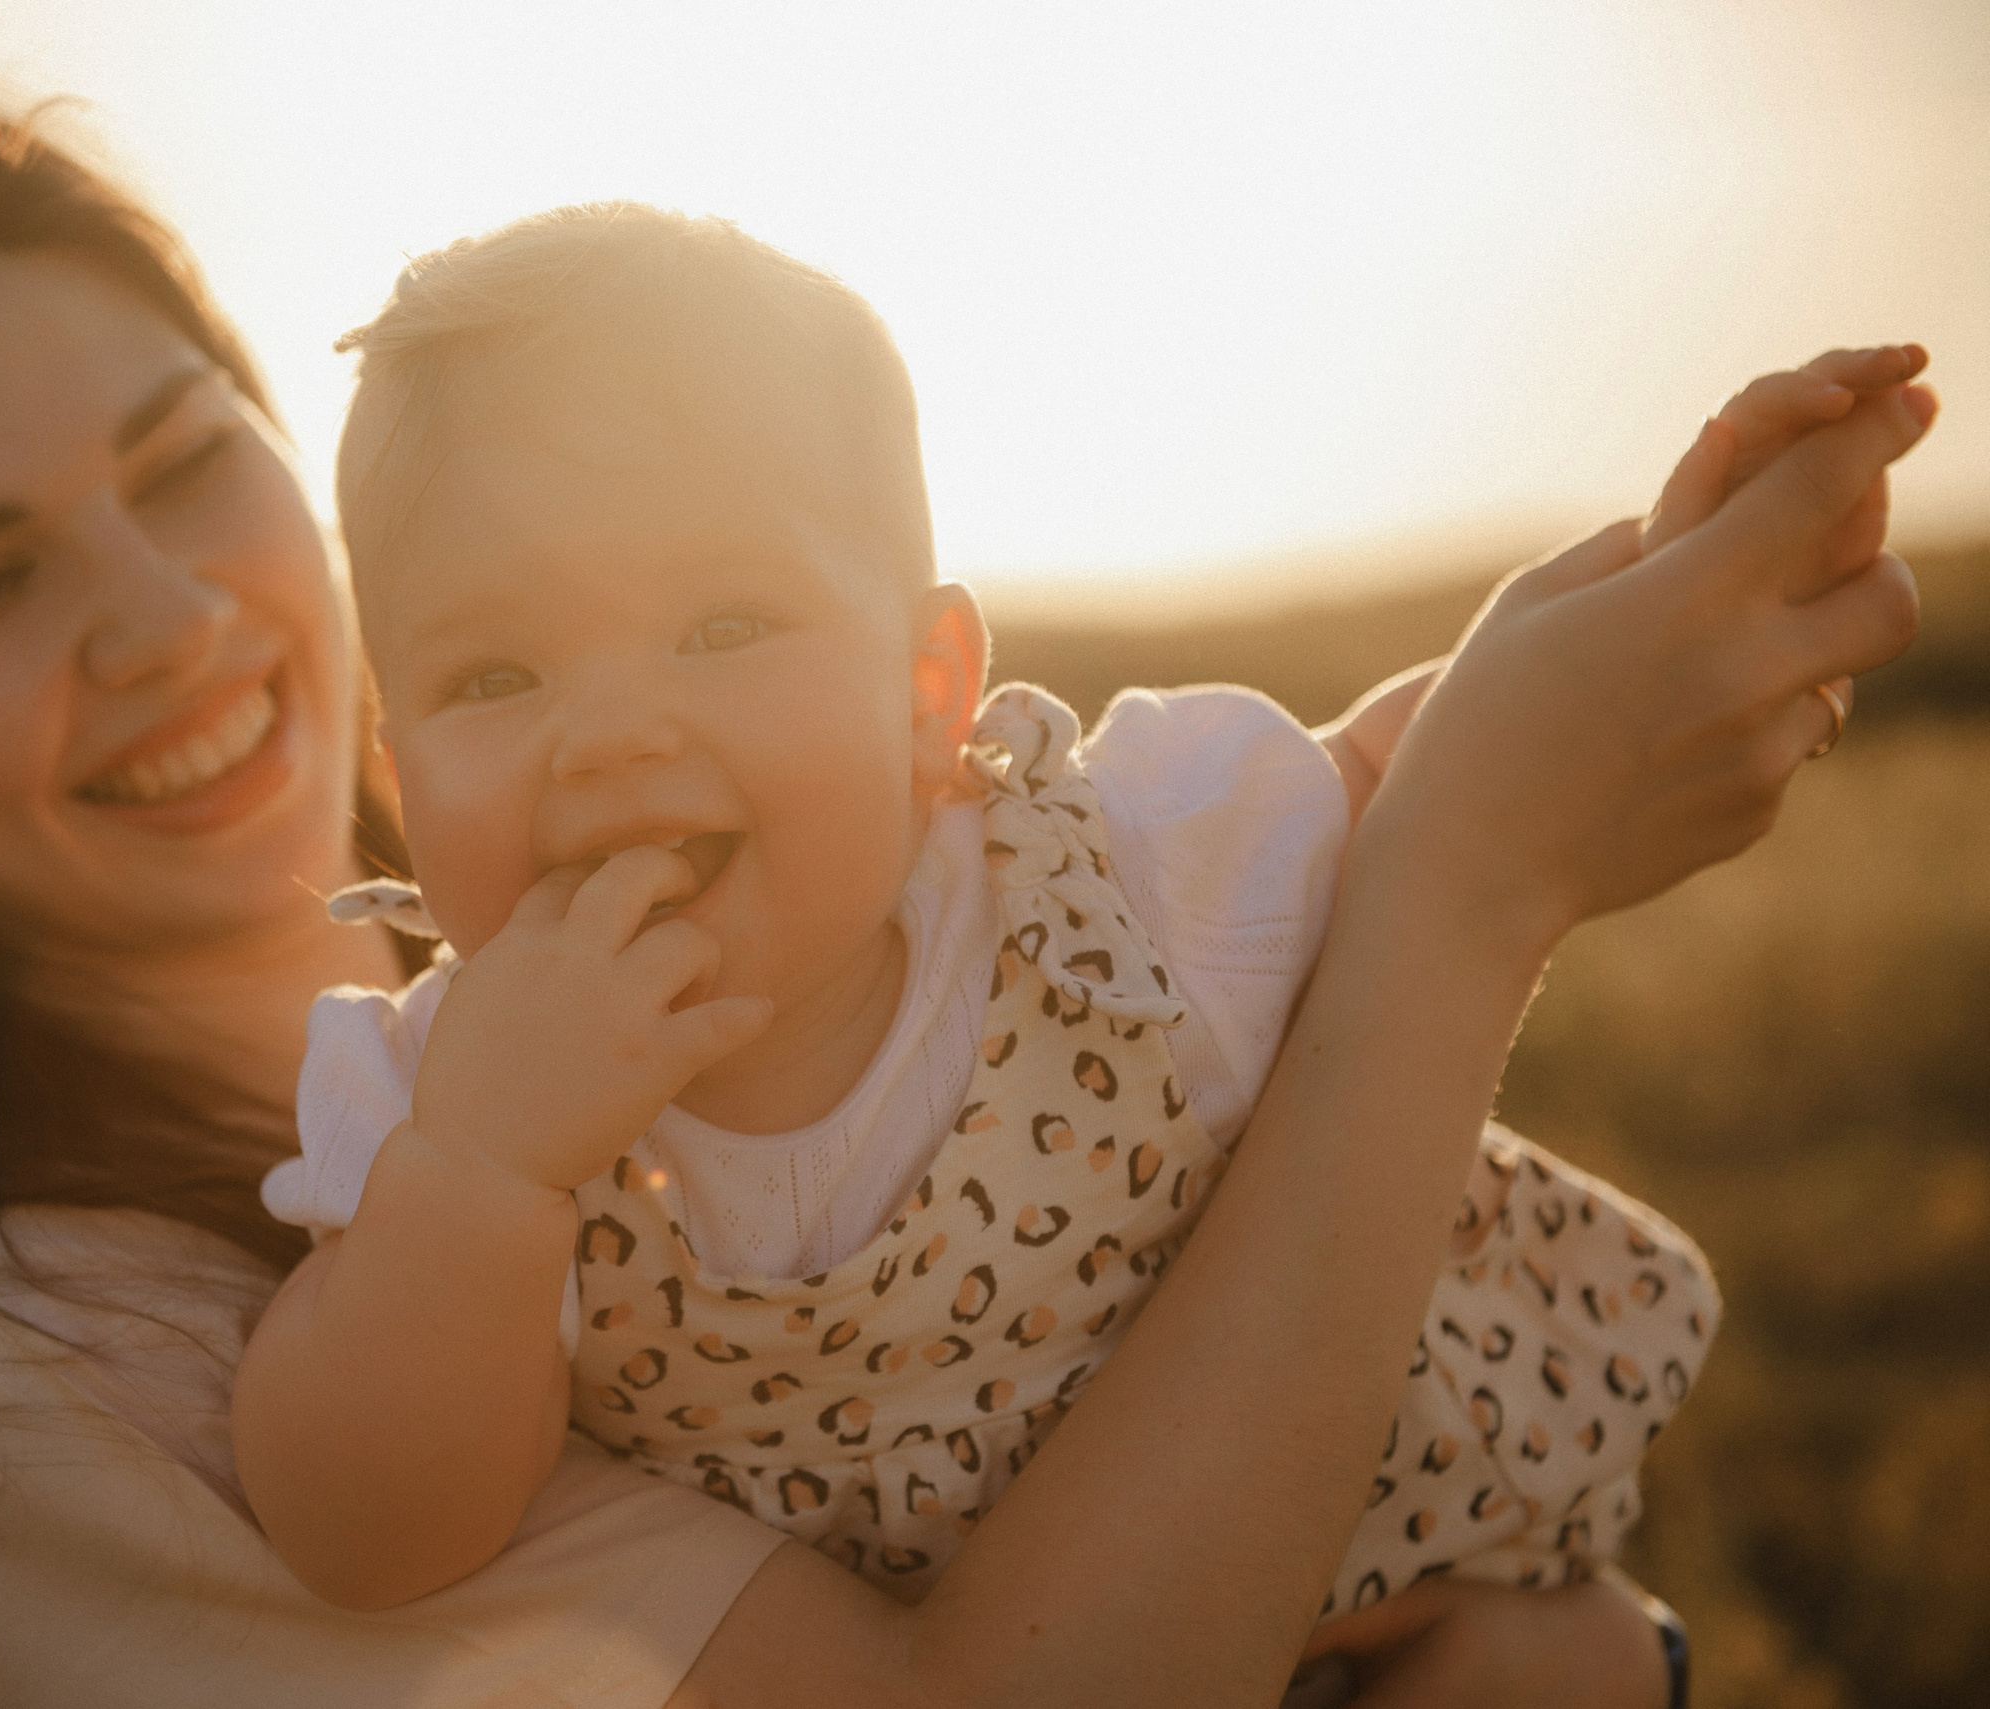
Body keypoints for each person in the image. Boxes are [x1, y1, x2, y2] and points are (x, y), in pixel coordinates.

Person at [0, 67, 1922, 1709]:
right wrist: (483, 1179)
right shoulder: (12, 1327)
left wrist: (1633, 624)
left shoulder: (891, 884)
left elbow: (1367, 794)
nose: (174, 622)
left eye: (189, 465)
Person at [235, 200, 1925, 1632]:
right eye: (497, 671)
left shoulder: (1109, 871)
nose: (606, 734)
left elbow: (1417, 766)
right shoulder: (426, 1106)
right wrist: (479, 1177)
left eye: (723, 623)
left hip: (1387, 1587)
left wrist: (1690, 573)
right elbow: (368, 1533)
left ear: (926, 692)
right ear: (399, 765)